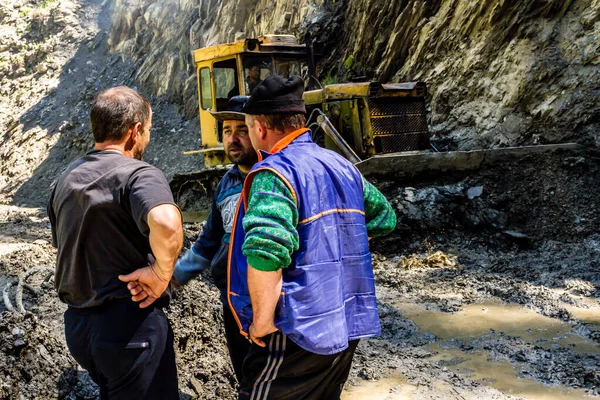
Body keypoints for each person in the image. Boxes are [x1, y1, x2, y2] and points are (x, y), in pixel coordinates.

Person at [228, 75, 397, 399]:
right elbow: (385, 217)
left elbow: (265, 252)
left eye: (248, 127)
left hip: (296, 328)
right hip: (347, 321)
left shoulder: (273, 173)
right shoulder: (343, 166)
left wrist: (262, 321)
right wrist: (332, 240)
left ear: (260, 128)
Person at [48, 86, 182, 400]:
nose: (148, 137)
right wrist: (162, 274)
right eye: (148, 130)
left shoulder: (66, 179)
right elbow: (166, 224)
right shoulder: (137, 174)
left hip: (80, 330)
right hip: (130, 329)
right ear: (135, 132)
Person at [171, 96, 257, 381]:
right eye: (227, 131)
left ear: (259, 129)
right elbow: (209, 241)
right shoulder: (226, 185)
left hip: (271, 303)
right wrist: (172, 280)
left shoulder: (276, 177)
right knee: (246, 379)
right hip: (233, 303)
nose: (232, 139)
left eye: (241, 130)